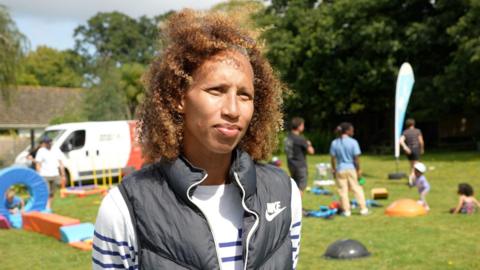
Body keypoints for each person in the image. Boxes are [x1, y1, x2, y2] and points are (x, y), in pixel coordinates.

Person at [93, 10, 302, 270]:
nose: (233, 110)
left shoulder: (284, 192)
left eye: (245, 95)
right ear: (179, 98)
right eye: (216, 90)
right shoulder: (124, 208)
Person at [330, 122, 368, 216]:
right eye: (352, 130)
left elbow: (333, 158)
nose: (353, 132)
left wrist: (334, 169)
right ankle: (363, 208)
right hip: (351, 169)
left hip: (340, 169)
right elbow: (356, 159)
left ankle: (346, 210)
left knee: (343, 191)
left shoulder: (334, 142)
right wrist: (358, 170)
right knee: (356, 188)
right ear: (347, 131)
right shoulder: (353, 142)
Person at [284, 117, 315, 194]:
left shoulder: (288, 137)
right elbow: (311, 151)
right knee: (301, 186)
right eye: (303, 125)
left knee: (295, 186)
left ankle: (293, 204)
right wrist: (308, 144)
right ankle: (297, 205)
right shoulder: (300, 138)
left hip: (291, 164)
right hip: (300, 165)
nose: (303, 127)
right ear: (299, 126)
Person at [35, 136, 66, 210]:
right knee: (46, 192)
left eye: (49, 142)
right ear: (44, 143)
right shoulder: (41, 151)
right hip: (44, 175)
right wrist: (38, 175)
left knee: (52, 193)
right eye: (46, 143)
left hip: (55, 174)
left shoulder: (56, 150)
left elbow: (61, 162)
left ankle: (49, 207)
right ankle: (45, 207)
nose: (48, 144)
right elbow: (38, 164)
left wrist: (63, 174)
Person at [399, 118, 424, 185]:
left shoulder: (405, 132)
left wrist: (405, 147)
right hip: (416, 149)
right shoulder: (417, 131)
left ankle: (414, 180)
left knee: (412, 166)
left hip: (409, 150)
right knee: (415, 166)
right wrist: (422, 149)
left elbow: (401, 141)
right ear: (413, 124)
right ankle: (411, 180)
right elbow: (421, 141)